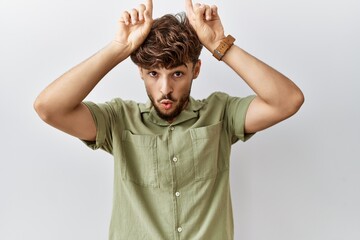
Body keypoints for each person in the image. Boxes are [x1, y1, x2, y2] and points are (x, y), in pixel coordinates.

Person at [34, 0, 304, 239]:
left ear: (196, 70)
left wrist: (219, 45)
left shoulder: (221, 114)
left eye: (176, 73)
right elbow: (49, 108)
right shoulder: (118, 120)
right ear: (140, 72)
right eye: (153, 74)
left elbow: (288, 100)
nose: (165, 89)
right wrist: (119, 48)